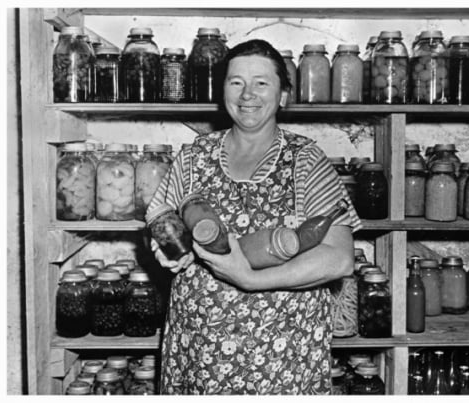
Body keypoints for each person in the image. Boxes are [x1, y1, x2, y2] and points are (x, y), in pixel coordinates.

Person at [147, 39, 361, 395]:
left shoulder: (306, 160)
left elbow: (339, 259)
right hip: (200, 348)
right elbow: (159, 216)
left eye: (261, 83)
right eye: (236, 82)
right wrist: (165, 248)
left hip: (285, 356)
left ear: (282, 96)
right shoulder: (193, 156)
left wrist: (251, 279)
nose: (247, 94)